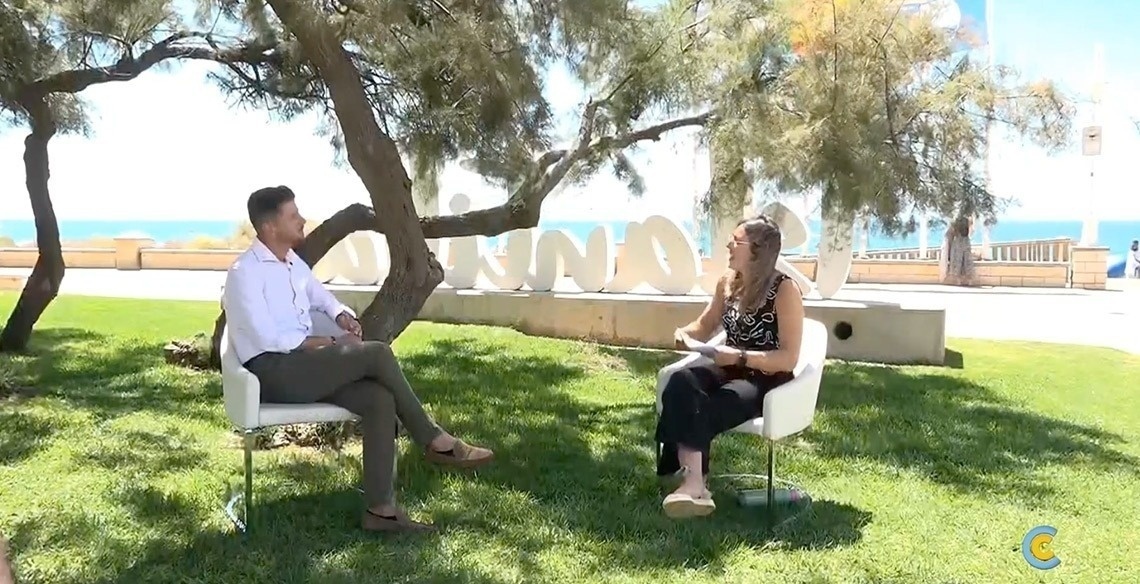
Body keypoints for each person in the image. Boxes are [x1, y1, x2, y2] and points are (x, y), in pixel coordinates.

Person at [223, 185, 494, 534]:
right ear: (269, 227)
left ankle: (381, 512)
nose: (302, 219)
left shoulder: (292, 263)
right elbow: (267, 338)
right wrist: (330, 342)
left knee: (378, 399)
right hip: (271, 373)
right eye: (293, 216)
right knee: (377, 353)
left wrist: (342, 317)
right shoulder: (245, 273)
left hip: (305, 370)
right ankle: (434, 440)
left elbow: (323, 299)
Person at [655, 215, 804, 519]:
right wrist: (685, 334)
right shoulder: (727, 281)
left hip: (767, 376)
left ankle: (693, 483)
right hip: (729, 364)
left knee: (713, 404)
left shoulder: (785, 291)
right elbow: (706, 324)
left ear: (758, 250)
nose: (728, 245)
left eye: (736, 241)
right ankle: (697, 486)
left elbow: (788, 357)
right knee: (681, 382)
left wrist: (740, 357)